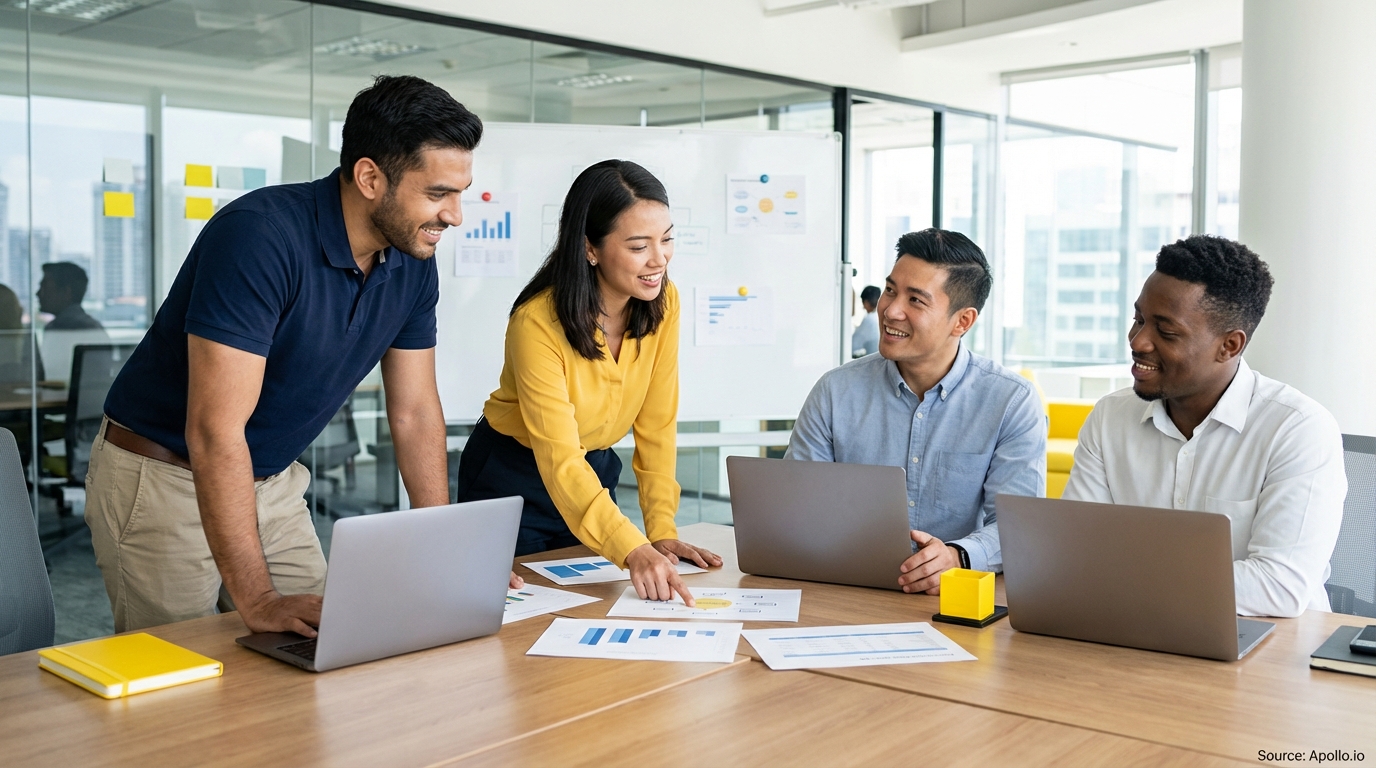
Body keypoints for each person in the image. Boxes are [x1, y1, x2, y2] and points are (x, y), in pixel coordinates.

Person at [87, 75, 519, 636]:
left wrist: (440, 547)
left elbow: (413, 411)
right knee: (182, 690)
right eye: (438, 194)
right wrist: (259, 598)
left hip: (273, 483)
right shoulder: (261, 236)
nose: (455, 215)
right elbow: (215, 428)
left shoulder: (412, 259)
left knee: (326, 647)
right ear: (370, 177)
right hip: (165, 480)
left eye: (460, 193)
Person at [457, 160, 721, 606]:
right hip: (514, 480)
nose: (659, 259)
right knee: (523, 623)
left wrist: (660, 532)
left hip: (592, 475)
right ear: (590, 249)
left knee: (598, 610)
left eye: (667, 239)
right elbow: (558, 457)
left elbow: (657, 424)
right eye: (639, 246)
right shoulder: (537, 322)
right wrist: (630, 547)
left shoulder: (663, 302)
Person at [1063, 235, 1345, 618]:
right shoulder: (1111, 417)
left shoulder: (1297, 430)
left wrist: (1123, 577)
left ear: (1229, 345)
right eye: (1139, 319)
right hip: (1136, 628)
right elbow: (1075, 549)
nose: (1138, 341)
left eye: (1166, 331)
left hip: (1273, 648)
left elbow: (1279, 586)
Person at [787, 228, 1045, 594]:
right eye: (891, 290)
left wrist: (958, 556)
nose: (891, 310)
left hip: (951, 599)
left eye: (916, 301)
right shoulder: (835, 390)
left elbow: (1018, 526)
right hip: (847, 589)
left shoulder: (1010, 401)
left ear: (963, 321)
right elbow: (797, 504)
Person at [37, 262, 103, 330]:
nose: (38, 293)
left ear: (66, 292)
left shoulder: (81, 328)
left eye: (45, 288)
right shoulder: (91, 327)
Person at [851, 284, 880, 357]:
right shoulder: (879, 316)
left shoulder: (870, 319)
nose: (863, 307)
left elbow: (852, 345)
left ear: (866, 302)